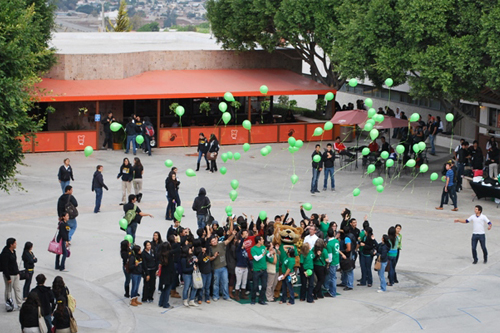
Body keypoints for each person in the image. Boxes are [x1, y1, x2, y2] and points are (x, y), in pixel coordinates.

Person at [210, 219, 235, 302]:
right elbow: (208, 258)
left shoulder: (221, 244)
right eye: (212, 241)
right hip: (216, 268)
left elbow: (228, 240)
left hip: (224, 267)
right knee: (216, 283)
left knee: (225, 282)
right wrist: (214, 256)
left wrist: (233, 235)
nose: (214, 242)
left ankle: (226, 295)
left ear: (217, 239)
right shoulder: (210, 249)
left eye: (214, 240)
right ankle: (215, 296)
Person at [158, 236, 181, 309]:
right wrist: (178, 242)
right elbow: (178, 249)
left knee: (164, 289)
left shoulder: (161, 254)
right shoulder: (170, 254)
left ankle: (161, 302)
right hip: (169, 274)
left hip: (163, 274)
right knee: (168, 289)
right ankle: (165, 303)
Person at [1, 237, 22, 310]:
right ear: (11, 244)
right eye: (15, 243)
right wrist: (8, 277)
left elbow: (15, 263)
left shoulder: (14, 251)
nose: (16, 244)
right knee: (8, 290)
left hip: (15, 273)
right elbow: (5, 266)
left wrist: (17, 272)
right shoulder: (5, 254)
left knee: (17, 289)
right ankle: (8, 304)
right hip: (9, 274)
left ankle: (19, 304)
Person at [251, 236, 268, 305]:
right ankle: (253, 299)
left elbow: (267, 256)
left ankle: (261, 300)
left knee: (264, 286)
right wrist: (263, 254)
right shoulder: (253, 249)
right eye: (262, 239)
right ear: (258, 241)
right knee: (255, 286)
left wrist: (271, 253)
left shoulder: (264, 247)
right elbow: (256, 258)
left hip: (264, 270)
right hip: (256, 270)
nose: (263, 240)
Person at [234, 231, 251, 301]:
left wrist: (250, 266)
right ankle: (236, 295)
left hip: (245, 268)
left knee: (244, 282)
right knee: (238, 282)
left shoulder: (244, 250)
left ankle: (243, 294)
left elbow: (247, 259)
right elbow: (240, 244)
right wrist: (242, 238)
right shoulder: (238, 250)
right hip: (239, 268)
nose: (243, 243)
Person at [325, 228, 340, 297]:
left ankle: (333, 292)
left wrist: (328, 263)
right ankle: (332, 291)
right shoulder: (336, 241)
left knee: (332, 278)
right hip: (336, 260)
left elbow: (330, 256)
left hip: (333, 262)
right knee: (333, 277)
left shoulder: (329, 244)